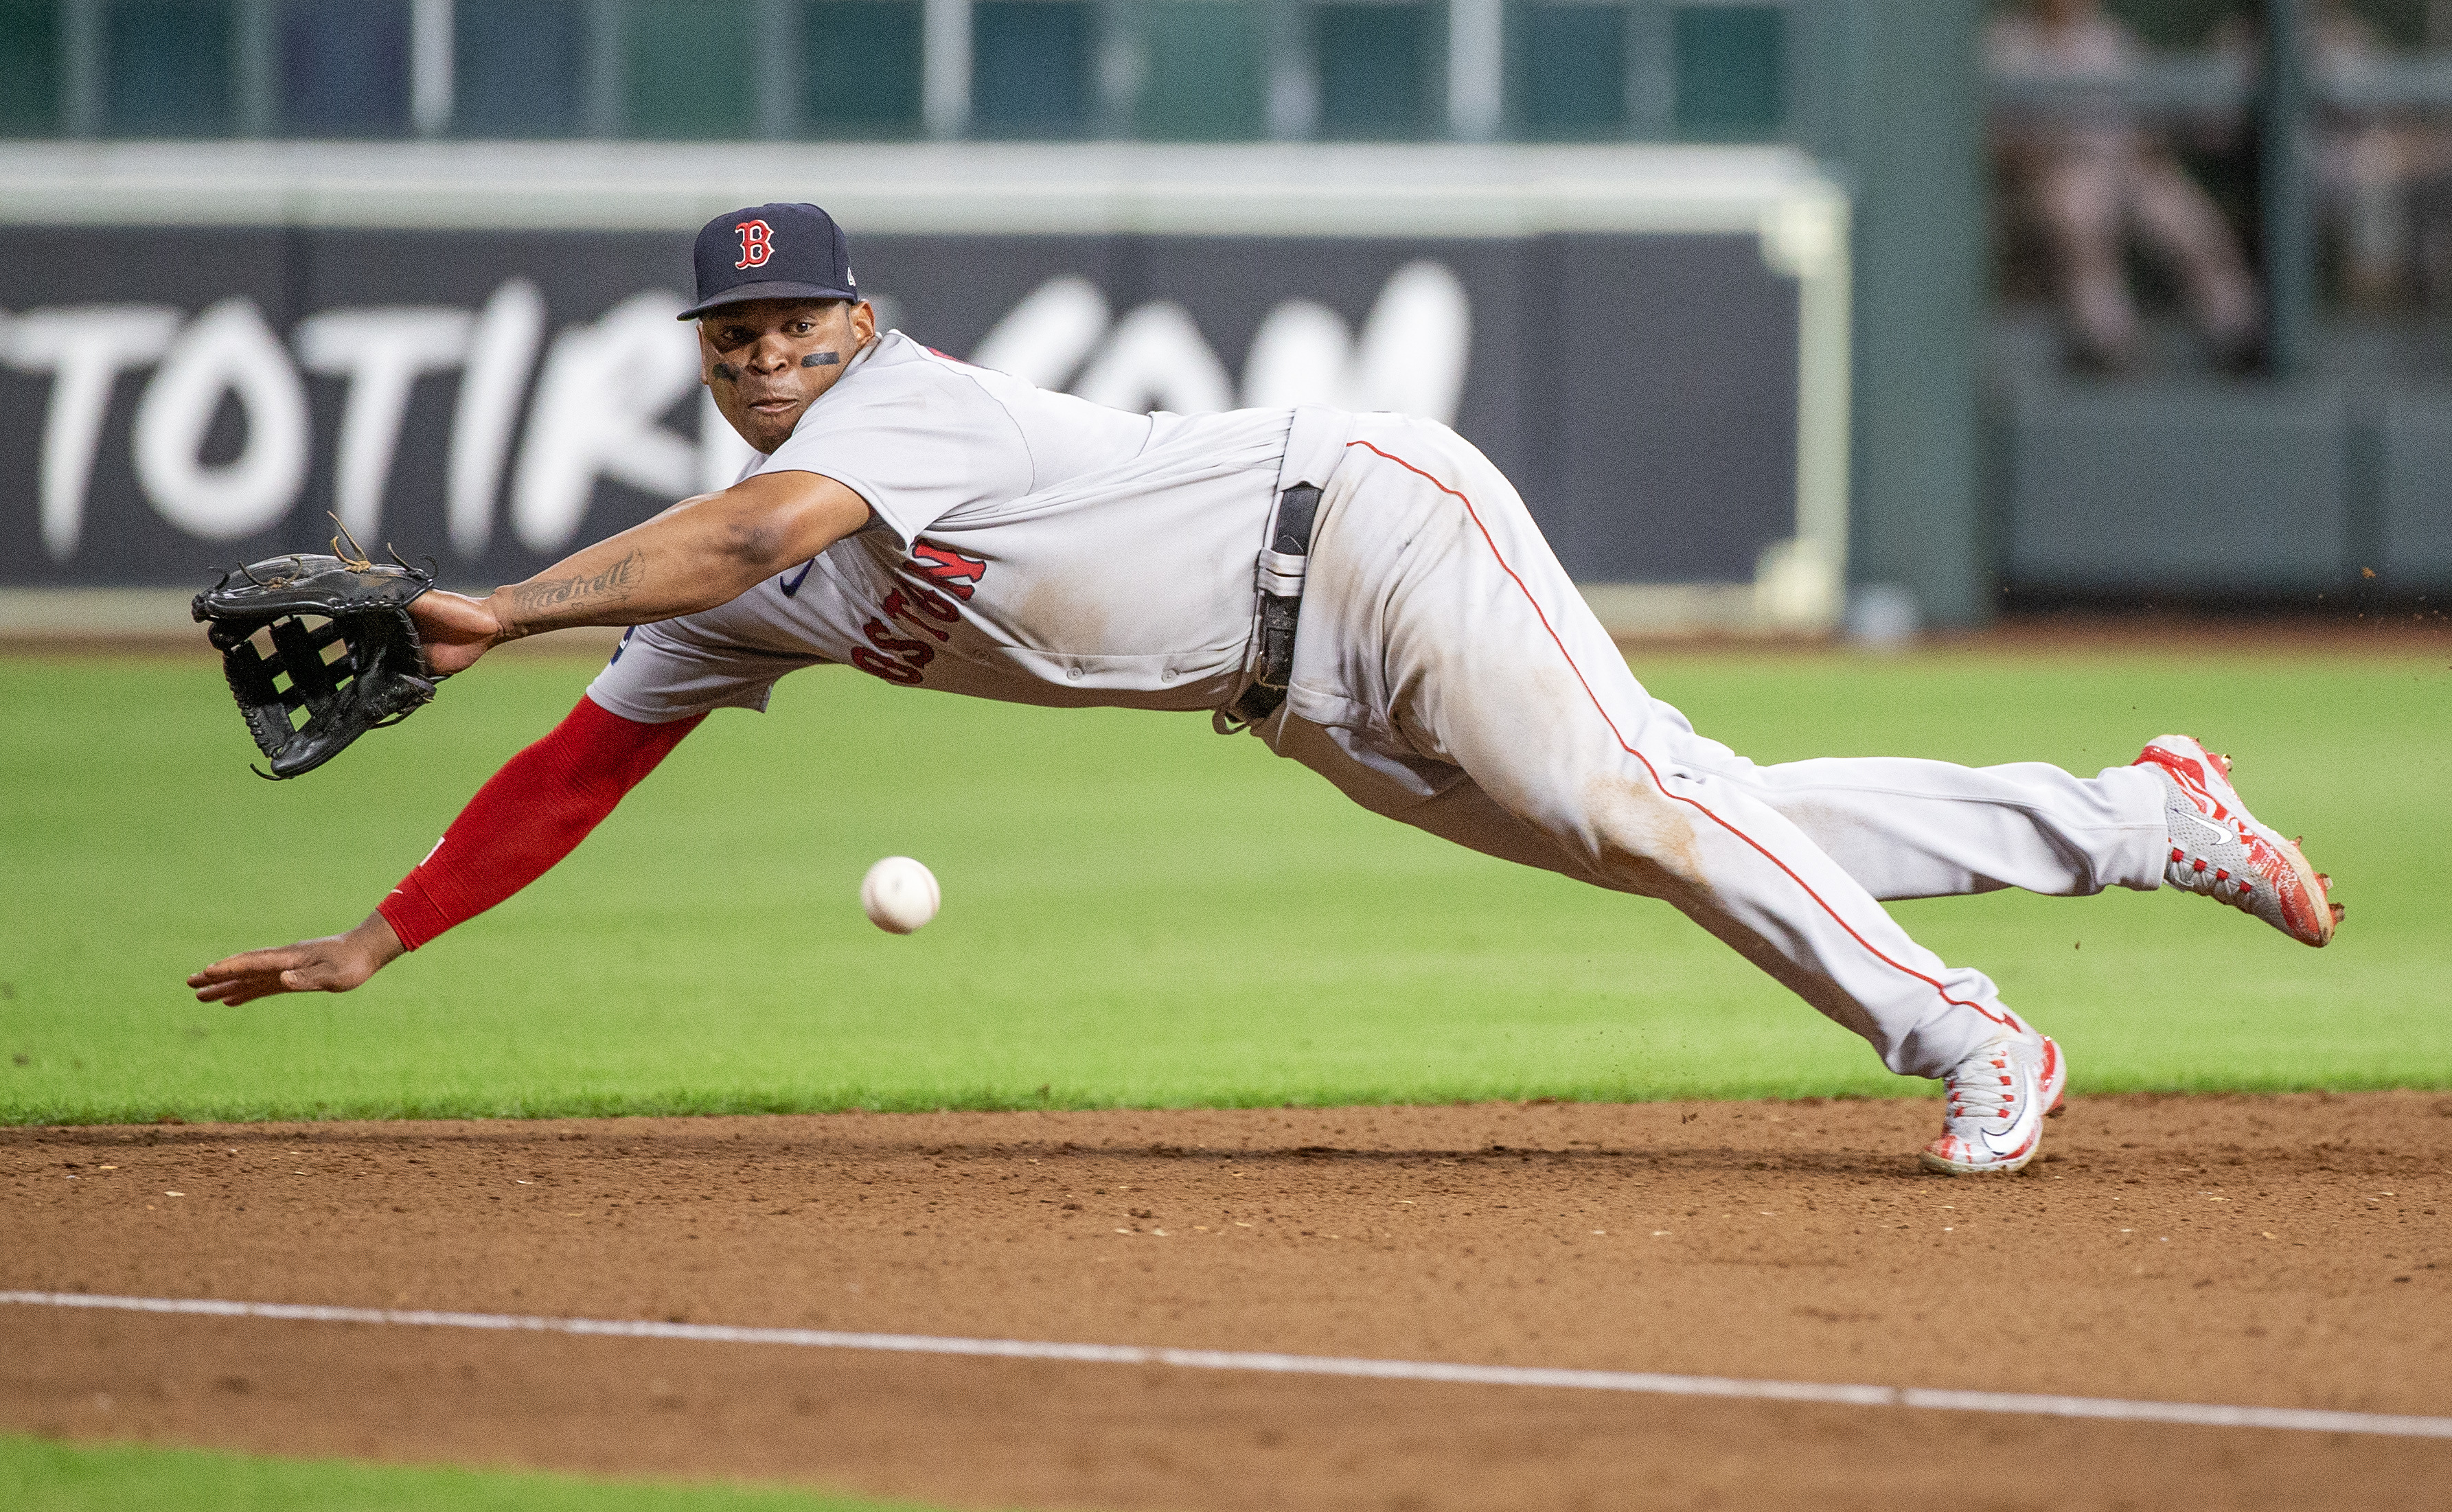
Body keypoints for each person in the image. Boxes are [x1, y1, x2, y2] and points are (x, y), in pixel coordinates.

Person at [187, 203, 2342, 1176]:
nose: (765, 354)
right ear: (705, 355)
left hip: (1373, 528)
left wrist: (491, 601)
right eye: (732, 336)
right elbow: (584, 764)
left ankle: (1971, 1038)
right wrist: (380, 933)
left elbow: (749, 538)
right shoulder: (730, 580)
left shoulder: (900, 417)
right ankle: (2140, 814)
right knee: (1683, 802)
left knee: (1649, 819)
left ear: (861, 325)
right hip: (1291, 684)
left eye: (796, 322)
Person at [1989, 0, 2265, 372]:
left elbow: (2149, 121)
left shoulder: (2107, 37)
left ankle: (2236, 326)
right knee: (2081, 206)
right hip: (2051, 176)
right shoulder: (2009, 41)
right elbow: (2003, 146)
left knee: (2178, 210)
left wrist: (2140, 152)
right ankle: (2105, 338)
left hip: (2123, 167)